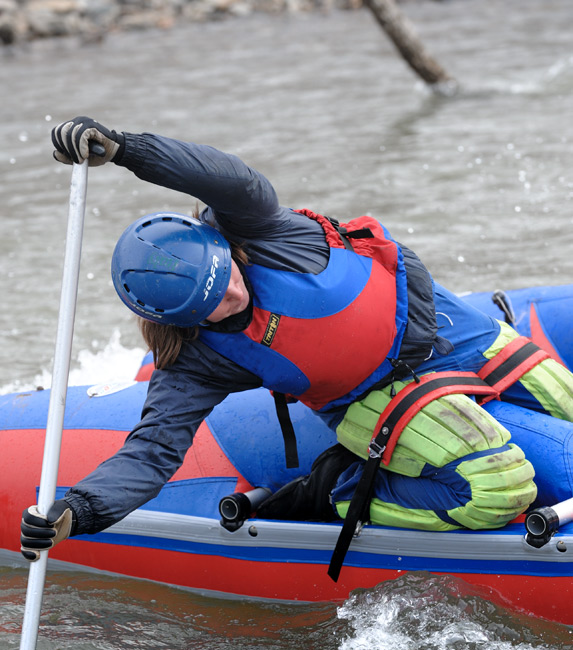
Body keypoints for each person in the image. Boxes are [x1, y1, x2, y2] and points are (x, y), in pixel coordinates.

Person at [20, 116, 573, 570]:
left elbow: (222, 175)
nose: (232, 295)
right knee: (498, 487)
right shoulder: (195, 363)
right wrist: (77, 511)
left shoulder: (258, 226)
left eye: (226, 275)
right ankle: (338, 488)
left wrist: (126, 150)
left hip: (452, 332)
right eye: (208, 305)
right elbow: (152, 453)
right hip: (376, 395)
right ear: (178, 320)